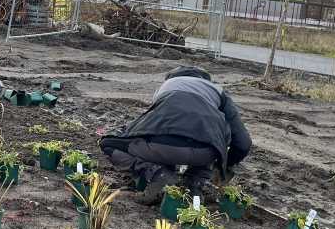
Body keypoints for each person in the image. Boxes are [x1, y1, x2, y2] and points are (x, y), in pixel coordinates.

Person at [99, 66, 252, 203]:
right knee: (212, 138)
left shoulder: (166, 87)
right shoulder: (217, 92)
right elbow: (243, 143)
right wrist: (223, 165)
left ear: (172, 78)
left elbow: (149, 125)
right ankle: (195, 182)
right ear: (206, 80)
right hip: (205, 154)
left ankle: (157, 173)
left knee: (108, 144)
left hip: (163, 148)